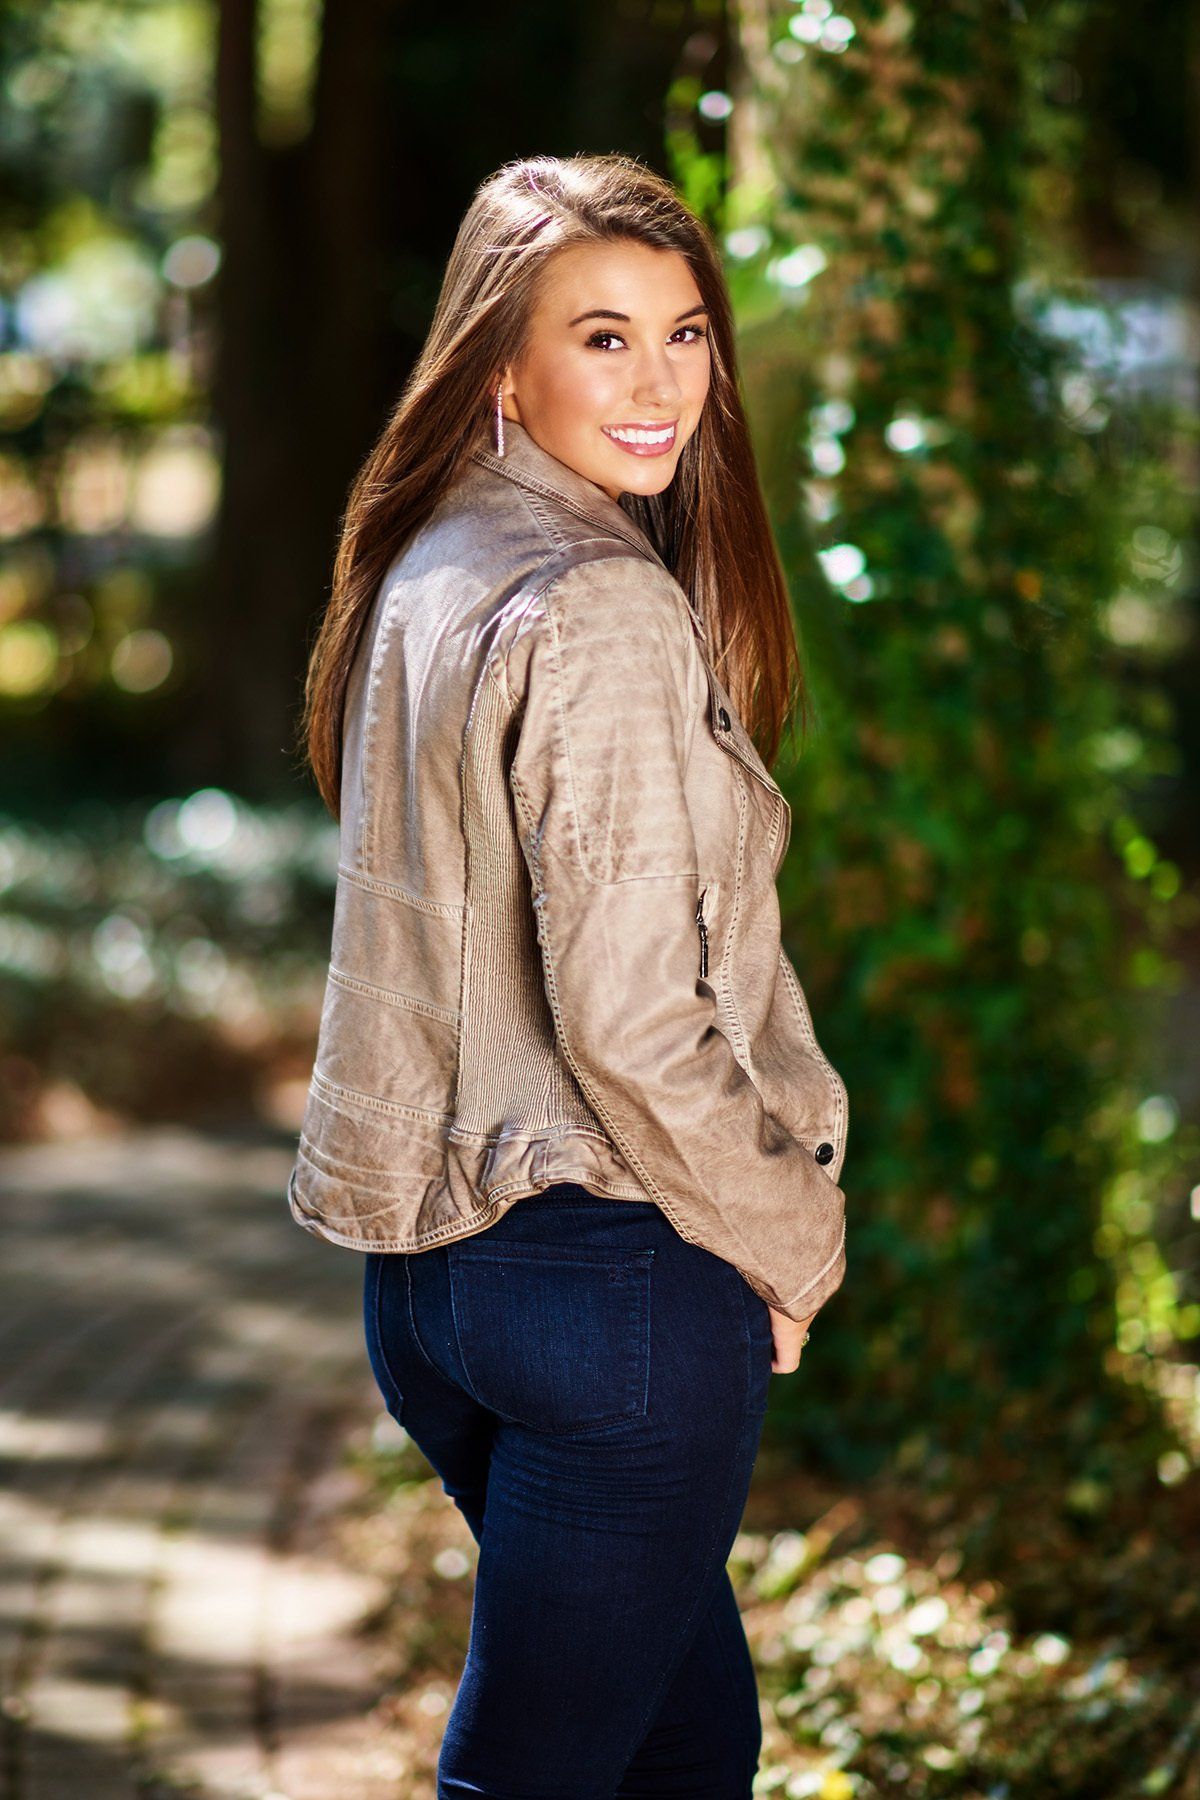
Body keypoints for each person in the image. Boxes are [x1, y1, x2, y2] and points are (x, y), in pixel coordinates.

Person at [289, 151, 849, 1799]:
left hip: (436, 1291)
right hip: (612, 1285)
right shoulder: (597, 605)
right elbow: (631, 1023)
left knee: (686, 1744)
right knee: (538, 1775)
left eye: (685, 335)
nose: (663, 382)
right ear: (501, 362)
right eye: (602, 338)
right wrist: (794, 1236)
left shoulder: (428, 563)